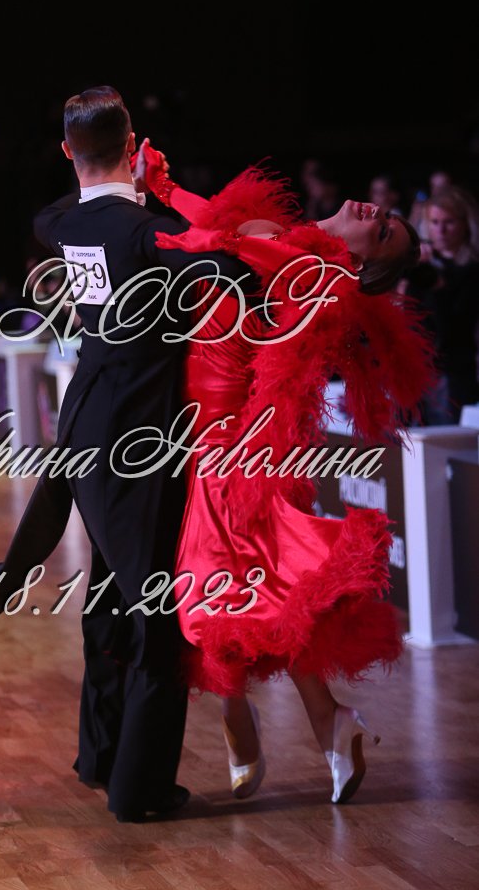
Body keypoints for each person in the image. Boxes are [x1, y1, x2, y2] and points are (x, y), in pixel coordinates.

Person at [0, 87, 248, 823]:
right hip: (136, 441)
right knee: (155, 618)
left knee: (107, 597)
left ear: (67, 151)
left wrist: (126, 187)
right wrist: (161, 193)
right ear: (134, 145)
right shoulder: (149, 234)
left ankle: (101, 757)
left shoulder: (62, 224)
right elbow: (233, 268)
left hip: (82, 426)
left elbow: (55, 213)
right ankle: (139, 792)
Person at [136, 140, 433, 804]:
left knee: (221, 590)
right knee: (249, 584)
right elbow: (220, 226)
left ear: (365, 261)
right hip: (205, 427)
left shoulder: (310, 266)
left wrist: (151, 220)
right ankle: (315, 723)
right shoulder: (293, 239)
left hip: (231, 439)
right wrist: (164, 188)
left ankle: (258, 722)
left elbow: (215, 244)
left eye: (384, 231)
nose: (376, 213)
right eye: (386, 215)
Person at [404, 184, 479, 422]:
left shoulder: (472, 268)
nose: (441, 231)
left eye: (449, 222)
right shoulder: (421, 263)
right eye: (435, 223)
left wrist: (437, 287)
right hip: (418, 367)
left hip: (454, 370)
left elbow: (457, 325)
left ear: (466, 224)